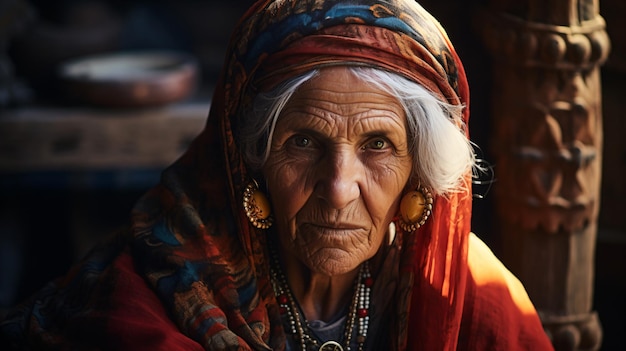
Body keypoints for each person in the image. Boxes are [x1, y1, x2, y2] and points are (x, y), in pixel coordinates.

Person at [1, 0, 554, 350]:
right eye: (305, 142)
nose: (338, 189)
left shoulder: (473, 296)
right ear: (253, 158)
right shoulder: (144, 300)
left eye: (379, 144)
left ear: (418, 172)